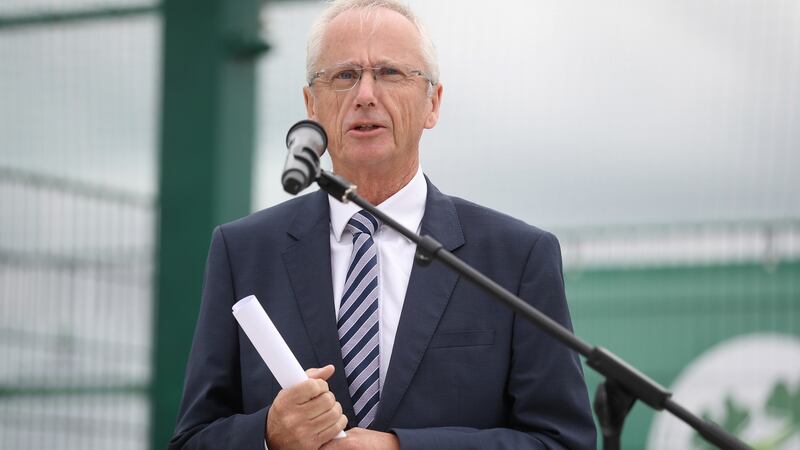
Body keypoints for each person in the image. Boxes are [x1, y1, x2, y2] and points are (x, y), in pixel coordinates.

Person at [170, 1, 597, 449]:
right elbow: (191, 440)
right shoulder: (244, 252)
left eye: (391, 73)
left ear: (433, 103)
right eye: (344, 75)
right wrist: (268, 435)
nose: (366, 94)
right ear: (311, 105)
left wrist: (400, 448)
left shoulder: (516, 257)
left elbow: (563, 442)